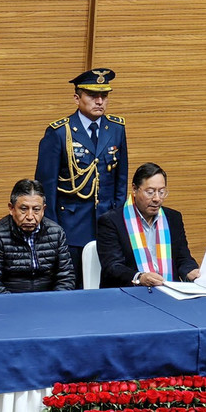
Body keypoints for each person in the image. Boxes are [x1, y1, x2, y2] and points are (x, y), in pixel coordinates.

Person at [35, 68, 129, 288]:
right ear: (77, 98)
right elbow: (45, 187)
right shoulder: (59, 132)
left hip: (106, 224)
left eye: (104, 96)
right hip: (72, 226)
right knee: (75, 285)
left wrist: (117, 219)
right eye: (92, 95)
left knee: (108, 283)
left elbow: (120, 179)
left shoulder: (116, 128)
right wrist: (53, 231)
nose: (99, 101)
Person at [96, 162, 200, 288]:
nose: (157, 198)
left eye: (161, 192)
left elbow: (183, 258)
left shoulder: (173, 218)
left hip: (169, 291)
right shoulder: (111, 221)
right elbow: (113, 267)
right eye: (150, 192)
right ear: (134, 189)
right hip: (129, 293)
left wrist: (191, 271)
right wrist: (140, 277)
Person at [0, 179, 75, 294]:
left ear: (43, 210)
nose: (30, 216)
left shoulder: (56, 233)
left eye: (36, 209)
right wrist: (18, 304)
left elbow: (66, 278)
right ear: (11, 208)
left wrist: (53, 301)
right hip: (10, 304)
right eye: (23, 209)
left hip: (49, 303)